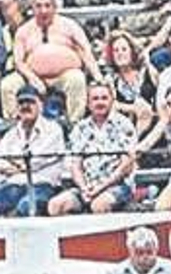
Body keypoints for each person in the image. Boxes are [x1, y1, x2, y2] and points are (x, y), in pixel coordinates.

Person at [0, 84, 69, 217]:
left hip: (42, 185)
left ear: (40, 105)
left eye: (31, 102)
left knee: (26, 207)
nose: (25, 106)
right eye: (21, 103)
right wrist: (18, 167)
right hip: (12, 186)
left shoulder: (53, 130)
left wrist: (18, 165)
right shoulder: (11, 135)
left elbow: (39, 158)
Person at [2, 0, 100, 120]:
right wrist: (32, 78)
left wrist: (97, 75)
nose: (43, 10)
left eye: (47, 6)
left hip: (64, 75)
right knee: (7, 85)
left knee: (77, 79)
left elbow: (85, 51)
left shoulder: (69, 25)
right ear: (32, 9)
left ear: (55, 7)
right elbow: (19, 62)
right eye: (39, 6)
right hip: (32, 76)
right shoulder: (24, 30)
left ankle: (74, 123)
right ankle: (15, 127)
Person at [48, 81, 139, 216]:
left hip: (117, 186)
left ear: (112, 101)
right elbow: (75, 165)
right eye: (95, 99)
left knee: (99, 205)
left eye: (104, 98)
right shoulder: (80, 128)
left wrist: (100, 188)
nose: (100, 102)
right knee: (56, 205)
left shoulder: (123, 125)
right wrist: (84, 188)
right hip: (87, 186)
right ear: (88, 103)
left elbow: (125, 166)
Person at [106, 225, 171, 274]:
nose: (145, 257)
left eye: (149, 252)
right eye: (139, 253)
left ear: (156, 250)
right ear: (130, 251)